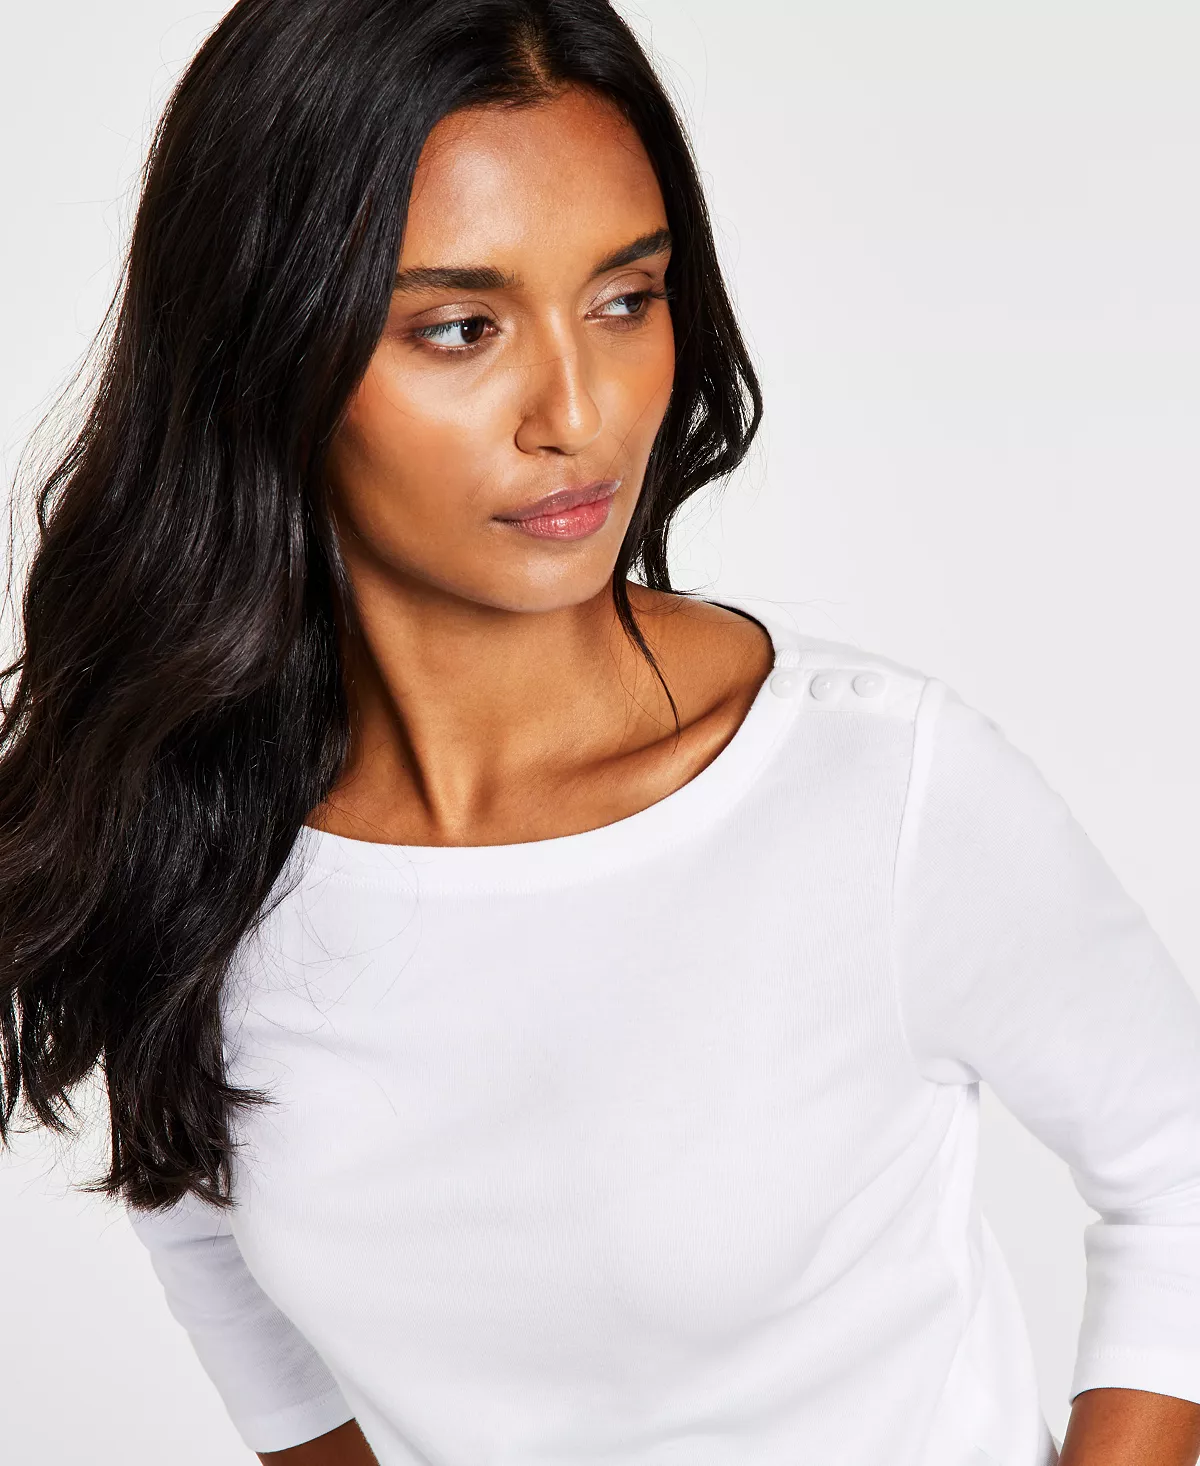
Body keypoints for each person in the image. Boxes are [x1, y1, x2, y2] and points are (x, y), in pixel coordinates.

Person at [2, 1, 1200, 1463]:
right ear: (263, 350)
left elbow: (1180, 1168)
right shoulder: (193, 834)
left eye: (626, 299)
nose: (577, 412)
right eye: (461, 328)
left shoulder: (868, 789)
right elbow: (198, 1224)